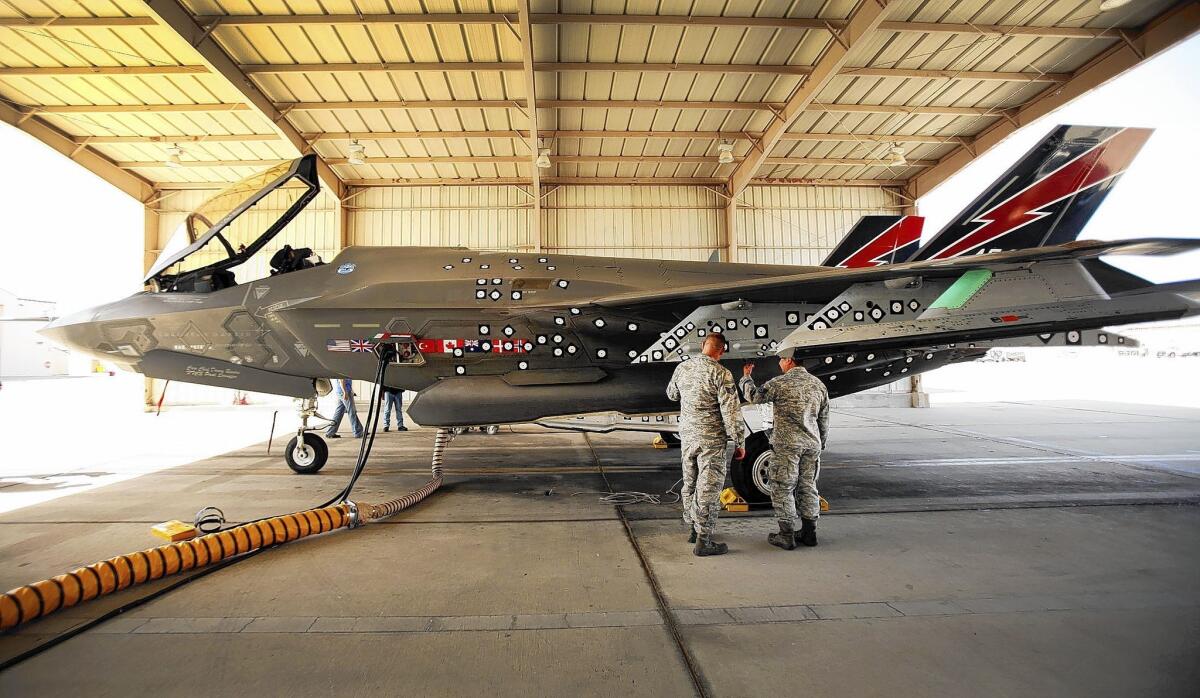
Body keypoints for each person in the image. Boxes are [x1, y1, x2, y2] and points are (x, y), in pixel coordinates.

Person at [666, 332, 746, 557]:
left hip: (688, 438)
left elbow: (672, 395)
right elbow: (731, 413)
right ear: (722, 350)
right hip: (711, 440)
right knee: (708, 488)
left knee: (690, 483)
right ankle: (704, 540)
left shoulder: (683, 368)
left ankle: (692, 528)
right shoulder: (721, 373)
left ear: (702, 345)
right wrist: (739, 441)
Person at [739, 352, 829, 549]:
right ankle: (809, 533)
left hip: (786, 445)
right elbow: (823, 419)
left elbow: (754, 397)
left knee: (783, 487)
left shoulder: (779, 383)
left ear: (789, 360)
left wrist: (746, 377)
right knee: (808, 487)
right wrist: (820, 442)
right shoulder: (818, 385)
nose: (779, 363)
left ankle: (786, 535)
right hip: (811, 444)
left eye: (781, 359)